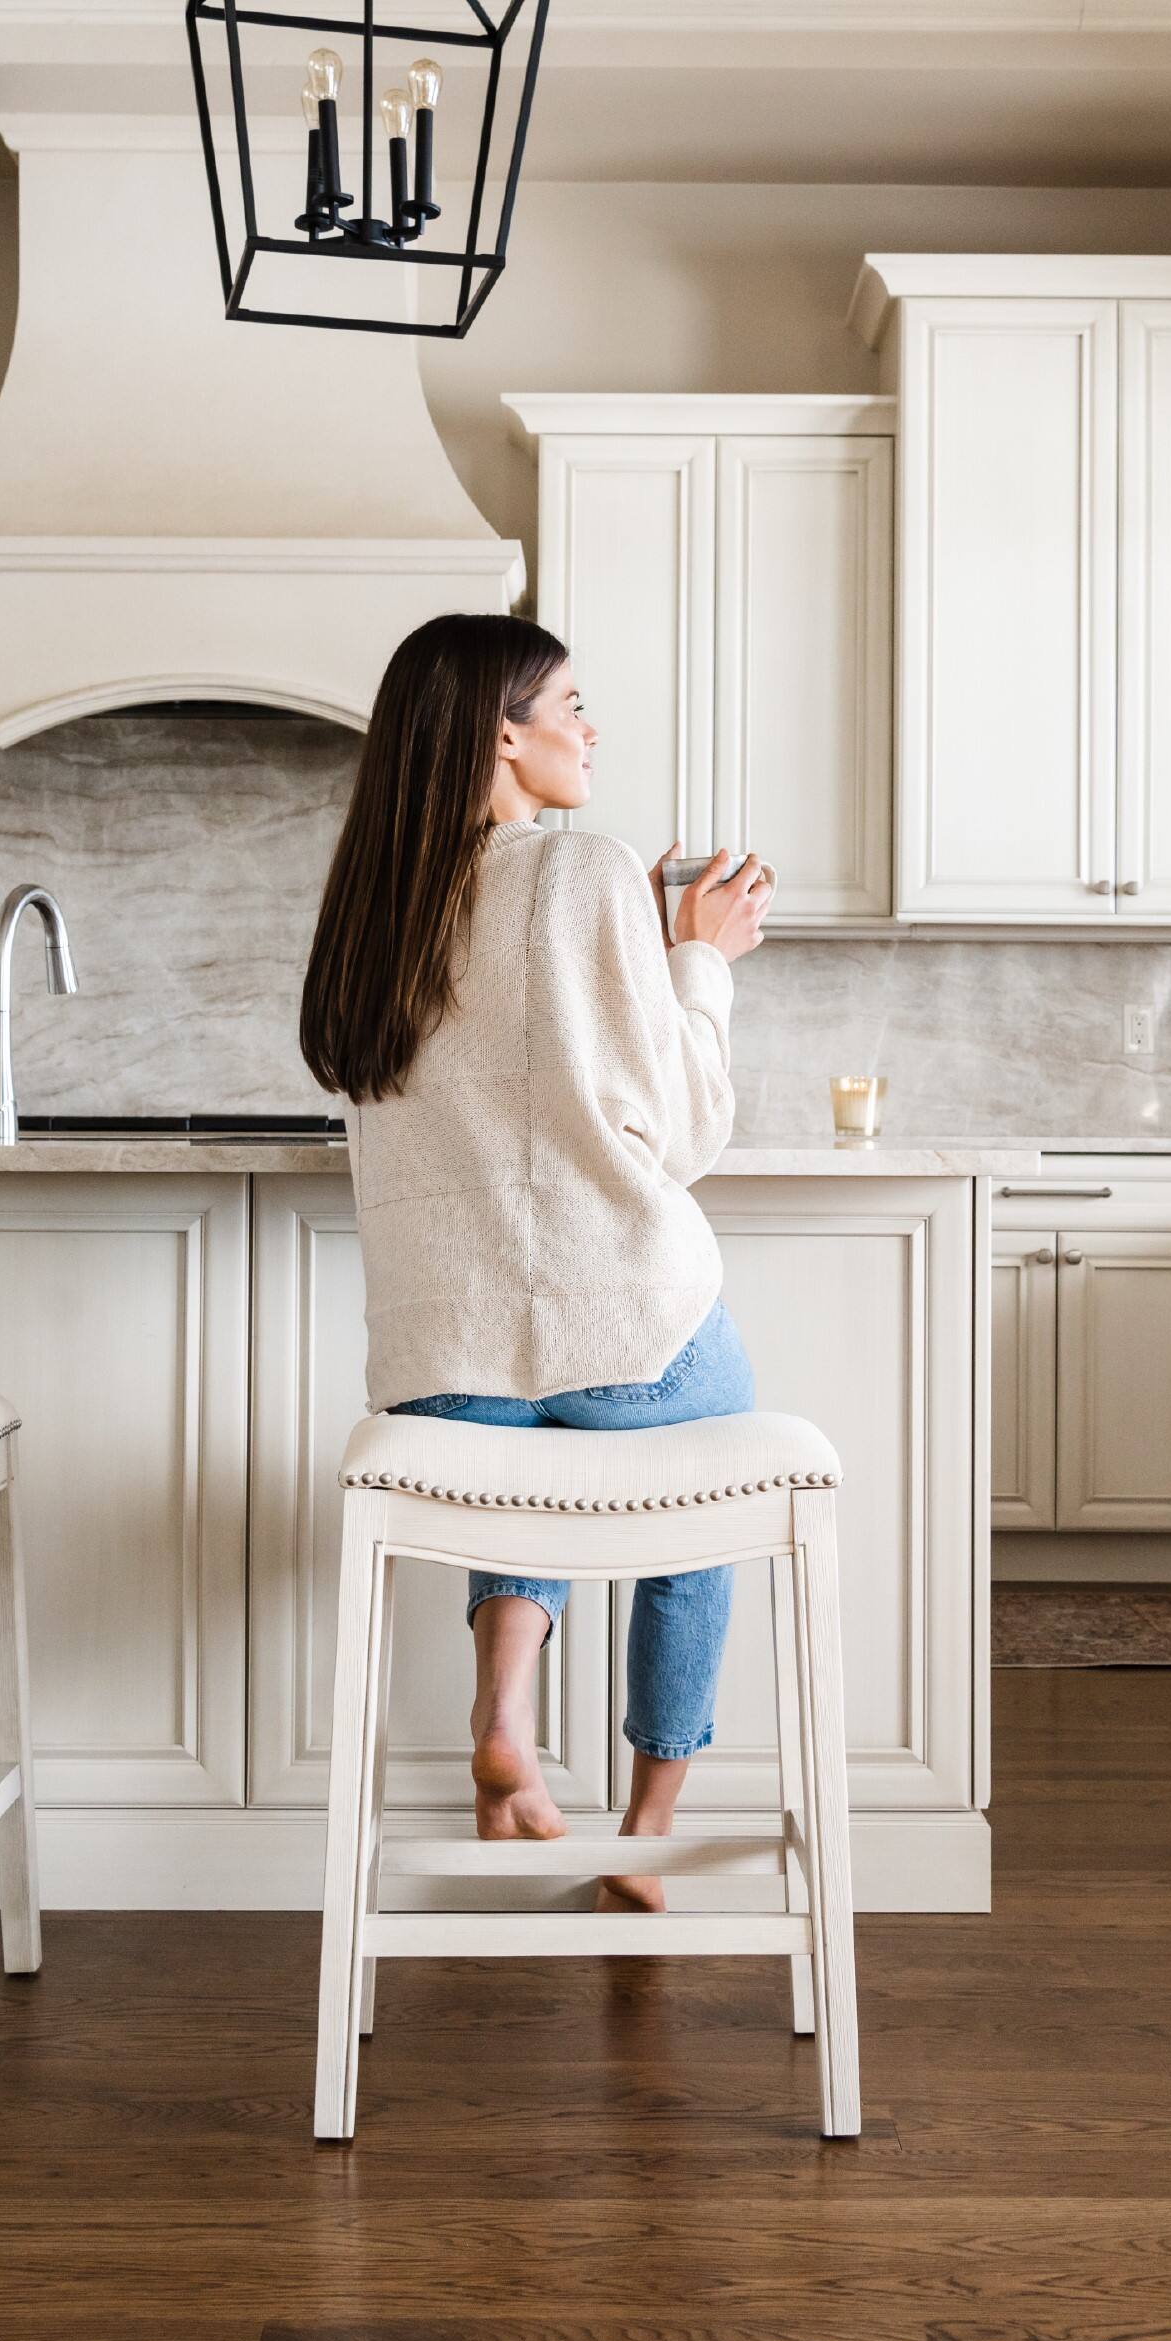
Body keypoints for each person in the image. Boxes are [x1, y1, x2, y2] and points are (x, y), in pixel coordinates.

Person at [300, 612, 771, 1907]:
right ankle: (645, 1836)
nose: (587, 727)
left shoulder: (371, 908)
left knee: (524, 1459)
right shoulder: (584, 870)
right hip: (629, 1321)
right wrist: (700, 957)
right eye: (569, 703)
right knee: (695, 1523)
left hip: (437, 1361)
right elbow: (681, 1125)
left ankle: (500, 1709)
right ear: (502, 733)